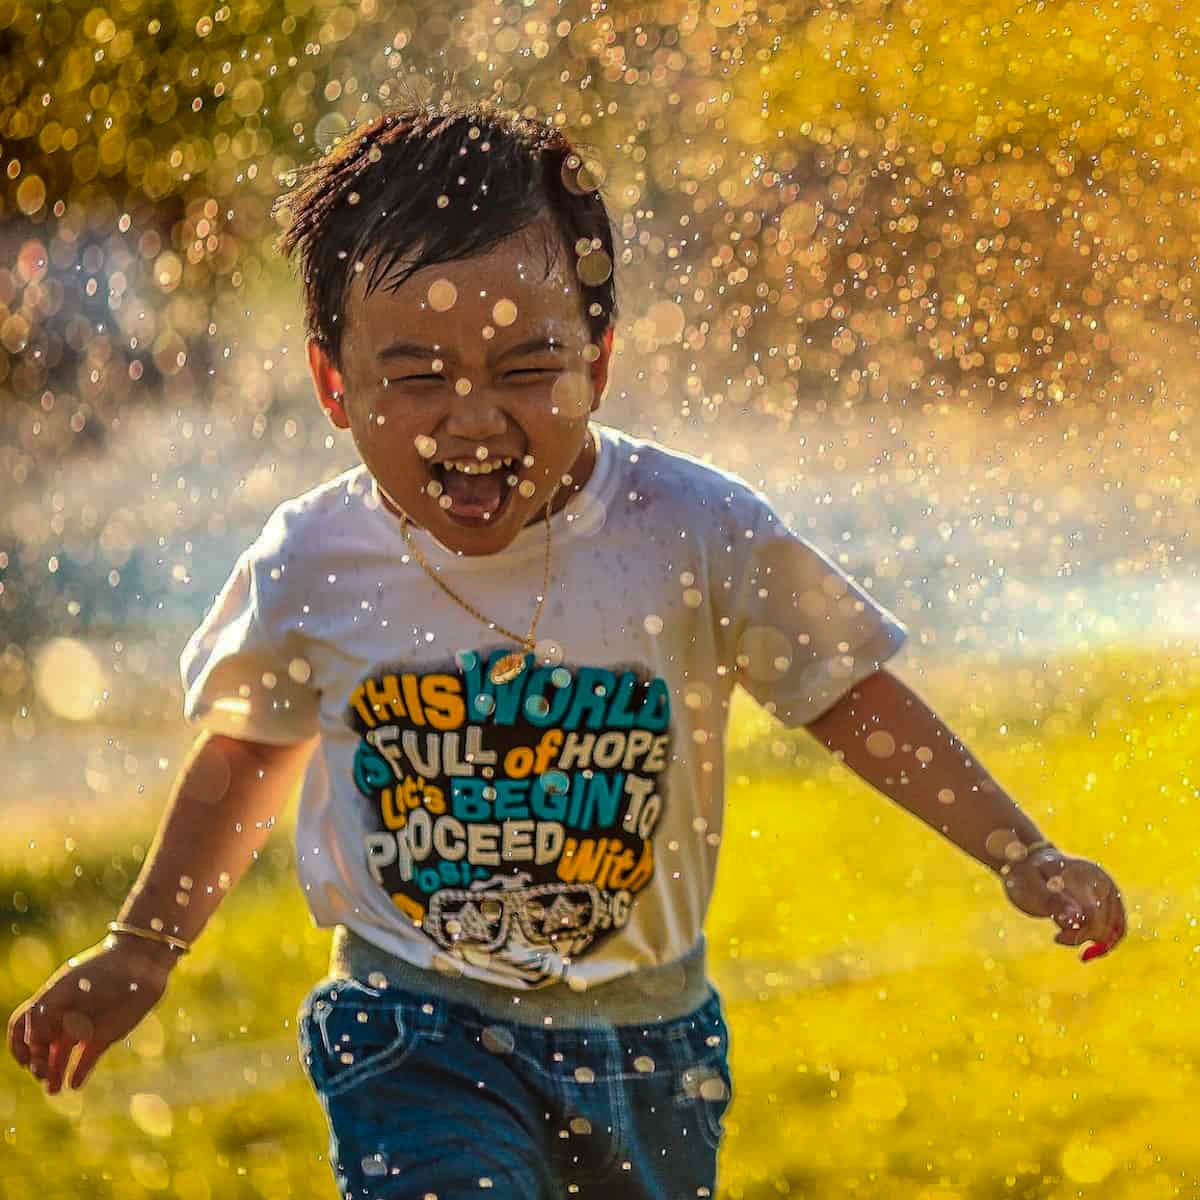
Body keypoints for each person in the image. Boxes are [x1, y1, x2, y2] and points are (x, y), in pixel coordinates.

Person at [7, 98, 1126, 1199]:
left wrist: (1018, 851)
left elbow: (849, 694)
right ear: (334, 385)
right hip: (413, 1025)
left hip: (651, 1049)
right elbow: (249, 755)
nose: (475, 419)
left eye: (525, 369)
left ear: (600, 357)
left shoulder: (691, 529)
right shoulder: (316, 559)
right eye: (418, 377)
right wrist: (144, 944)